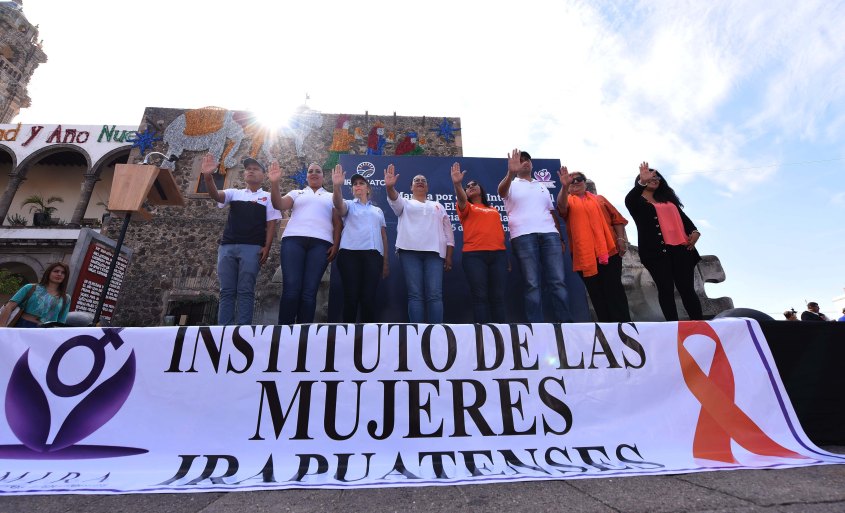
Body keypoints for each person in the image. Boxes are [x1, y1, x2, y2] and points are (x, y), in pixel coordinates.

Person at [201, 154, 281, 325]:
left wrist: (267, 247)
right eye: (248, 169)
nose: (250, 171)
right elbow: (216, 195)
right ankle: (223, 329)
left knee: (246, 290)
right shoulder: (234, 193)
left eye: (255, 169)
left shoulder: (268, 197)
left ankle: (242, 330)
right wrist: (208, 176)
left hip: (252, 248)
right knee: (226, 291)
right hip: (227, 247)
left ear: (263, 175)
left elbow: (271, 224)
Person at [497, 149, 572, 323]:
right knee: (532, 283)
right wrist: (510, 173)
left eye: (528, 159)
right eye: (521, 160)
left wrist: (560, 237)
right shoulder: (511, 183)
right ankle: (535, 327)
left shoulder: (541, 186)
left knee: (558, 281)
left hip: (550, 235)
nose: (525, 162)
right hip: (523, 236)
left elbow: (552, 212)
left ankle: (566, 325)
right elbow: (501, 192)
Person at [625, 162, 703, 321]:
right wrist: (642, 182)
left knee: (687, 289)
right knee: (665, 289)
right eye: (650, 177)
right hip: (656, 253)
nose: (655, 179)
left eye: (657, 177)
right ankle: (673, 327)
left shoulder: (668, 199)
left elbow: (685, 220)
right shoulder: (637, 202)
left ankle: (700, 325)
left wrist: (695, 232)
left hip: (682, 249)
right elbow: (629, 199)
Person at [557, 169, 631, 322]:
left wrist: (621, 240)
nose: (576, 182)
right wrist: (564, 187)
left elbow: (617, 220)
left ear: (585, 183)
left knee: (614, 290)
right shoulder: (568, 200)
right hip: (584, 255)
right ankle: (607, 330)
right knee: (596, 294)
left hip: (609, 252)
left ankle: (625, 327)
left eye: (579, 179)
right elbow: (561, 207)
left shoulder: (600, 199)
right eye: (572, 180)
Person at [269, 162, 339, 324]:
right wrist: (274, 183)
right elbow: (278, 204)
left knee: (309, 292)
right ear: (307, 176)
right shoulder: (296, 193)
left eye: (318, 171)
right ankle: (284, 331)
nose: (314, 173)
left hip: (321, 244)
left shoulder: (331, 196)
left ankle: (303, 333)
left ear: (323, 176)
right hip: (294, 241)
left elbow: (337, 223)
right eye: (310, 171)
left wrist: (335, 245)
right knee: (291, 290)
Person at [385, 164, 454, 323]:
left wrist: (449, 256)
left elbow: (449, 233)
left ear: (428, 187)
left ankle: (436, 332)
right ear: (411, 187)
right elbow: (394, 198)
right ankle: (417, 333)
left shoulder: (438, 205)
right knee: (415, 295)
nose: (420, 182)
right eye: (416, 180)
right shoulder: (405, 203)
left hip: (435, 254)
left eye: (423, 180)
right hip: (409, 253)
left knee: (435, 295)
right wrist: (390, 187)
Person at [451, 162, 508, 323]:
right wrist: (457, 184)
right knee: (480, 296)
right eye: (467, 186)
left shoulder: (494, 210)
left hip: (499, 256)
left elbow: (499, 234)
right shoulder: (466, 206)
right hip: (474, 256)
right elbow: (462, 199)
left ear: (481, 189)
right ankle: (482, 334)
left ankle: (501, 334)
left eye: (474, 184)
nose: (470, 186)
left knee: (498, 297)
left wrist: (505, 258)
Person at [331, 164, 389, 322]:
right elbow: (338, 205)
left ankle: (367, 340)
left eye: (361, 183)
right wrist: (337, 186)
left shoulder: (378, 211)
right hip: (349, 254)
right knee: (351, 297)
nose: (357, 186)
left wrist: (385, 262)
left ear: (368, 189)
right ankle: (347, 337)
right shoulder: (349, 205)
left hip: (373, 256)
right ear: (352, 190)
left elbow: (383, 237)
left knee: (368, 299)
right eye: (355, 184)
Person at [0, 262, 70, 328]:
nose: (59, 274)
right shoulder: (30, 287)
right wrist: (2, 329)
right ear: (48, 273)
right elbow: (9, 307)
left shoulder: (66, 298)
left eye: (63, 273)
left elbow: (61, 322)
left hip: (46, 332)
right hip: (22, 326)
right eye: (56, 271)